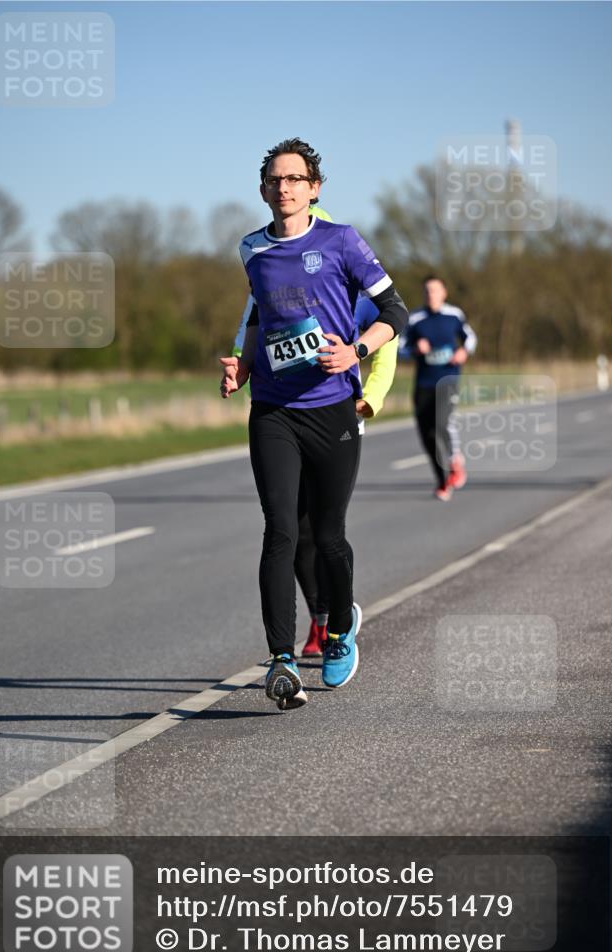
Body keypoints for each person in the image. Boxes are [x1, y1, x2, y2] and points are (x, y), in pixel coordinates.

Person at [220, 137, 408, 710]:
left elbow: (396, 311)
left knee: (327, 536)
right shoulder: (252, 249)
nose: (285, 188)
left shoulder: (341, 240)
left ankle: (339, 630)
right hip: (274, 410)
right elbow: (259, 316)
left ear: (314, 188)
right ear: (263, 190)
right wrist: (245, 364)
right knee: (280, 531)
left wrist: (356, 351)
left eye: (295, 179)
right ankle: (279, 659)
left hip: (331, 408)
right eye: (276, 180)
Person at [404, 276, 476, 500]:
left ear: (444, 293)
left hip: (448, 379)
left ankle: (455, 462)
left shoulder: (454, 315)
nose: (430, 295)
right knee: (426, 433)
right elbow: (399, 347)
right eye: (426, 291)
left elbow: (470, 337)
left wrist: (464, 351)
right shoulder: (415, 318)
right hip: (424, 382)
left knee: (442, 422)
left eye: (435, 291)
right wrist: (415, 348)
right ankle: (442, 480)